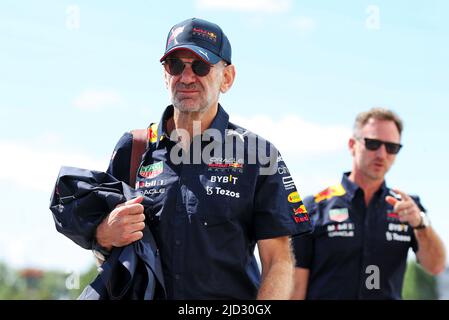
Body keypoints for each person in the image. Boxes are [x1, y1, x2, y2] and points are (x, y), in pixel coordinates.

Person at [93, 17, 312, 299]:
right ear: (164, 74)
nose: (186, 77)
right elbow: (105, 252)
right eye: (175, 66)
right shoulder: (132, 148)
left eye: (200, 66)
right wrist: (102, 235)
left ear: (227, 78)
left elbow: (278, 260)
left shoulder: (259, 155)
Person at [291, 108, 446, 300]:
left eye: (391, 147)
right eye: (373, 144)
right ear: (352, 145)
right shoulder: (313, 207)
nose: (382, 154)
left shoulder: (408, 208)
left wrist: (421, 225)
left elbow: (436, 266)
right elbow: (295, 288)